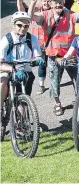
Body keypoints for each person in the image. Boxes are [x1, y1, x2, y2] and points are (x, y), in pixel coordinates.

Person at [28, 0, 79, 116]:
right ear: (51, 3)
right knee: (54, 83)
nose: (58, 5)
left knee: (78, 81)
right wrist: (33, 2)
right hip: (54, 57)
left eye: (60, 2)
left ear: (63, 2)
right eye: (55, 2)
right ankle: (57, 103)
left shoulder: (71, 14)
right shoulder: (46, 15)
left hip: (70, 57)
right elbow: (30, 17)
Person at [0, 11, 44, 140]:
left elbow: (37, 55)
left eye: (26, 26)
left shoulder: (31, 38)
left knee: (23, 101)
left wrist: (39, 59)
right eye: (19, 25)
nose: (22, 28)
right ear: (14, 25)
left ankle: (20, 127)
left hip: (25, 71)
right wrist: (11, 69)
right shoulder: (7, 39)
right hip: (7, 68)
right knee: (3, 81)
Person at [15, 0, 50, 94]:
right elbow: (21, 10)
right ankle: (41, 85)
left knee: (52, 65)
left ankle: (53, 85)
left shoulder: (52, 13)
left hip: (50, 43)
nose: (46, 3)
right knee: (42, 65)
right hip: (38, 44)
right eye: (44, 1)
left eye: (48, 1)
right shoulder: (35, 12)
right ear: (41, 2)